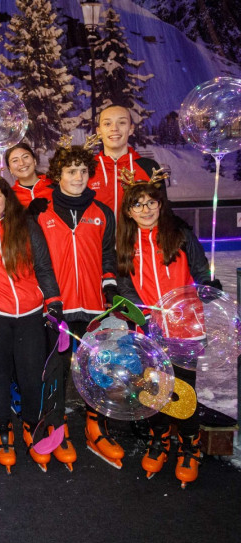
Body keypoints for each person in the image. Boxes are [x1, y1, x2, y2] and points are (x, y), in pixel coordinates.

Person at [116, 179, 219, 487]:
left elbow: (202, 273)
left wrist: (209, 287)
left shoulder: (181, 234)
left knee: (184, 391)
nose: (145, 209)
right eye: (138, 204)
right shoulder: (125, 242)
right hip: (150, 329)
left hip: (187, 328)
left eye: (151, 202)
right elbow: (124, 287)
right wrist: (140, 314)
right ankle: (159, 439)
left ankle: (190, 445)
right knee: (154, 391)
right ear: (129, 212)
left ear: (160, 205)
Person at [28, 144, 123, 468]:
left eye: (83, 171)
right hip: (57, 308)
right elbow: (33, 260)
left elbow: (108, 256)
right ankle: (55, 428)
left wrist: (110, 289)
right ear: (58, 175)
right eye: (71, 171)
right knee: (54, 372)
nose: (78, 177)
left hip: (94, 309)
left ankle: (96, 429)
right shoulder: (41, 211)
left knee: (96, 372)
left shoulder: (102, 212)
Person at [0, 176, 64, 473]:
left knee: (31, 375)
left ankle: (32, 426)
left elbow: (44, 268)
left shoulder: (26, 227)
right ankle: (2, 430)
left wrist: (54, 301)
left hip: (30, 312)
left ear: (7, 198)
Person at [88, 104, 166, 218]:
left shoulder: (149, 168)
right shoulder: (86, 169)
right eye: (107, 123)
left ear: (131, 129)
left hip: (136, 236)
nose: (114, 128)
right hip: (95, 236)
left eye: (122, 122)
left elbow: (163, 213)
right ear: (99, 131)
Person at [5, 143, 54, 208]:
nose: (22, 163)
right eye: (15, 160)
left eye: (25, 157)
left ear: (34, 160)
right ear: (10, 169)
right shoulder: (9, 196)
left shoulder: (55, 186)